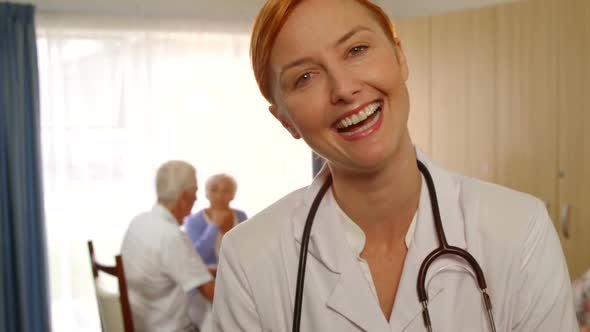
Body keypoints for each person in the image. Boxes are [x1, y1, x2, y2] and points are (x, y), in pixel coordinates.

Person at [211, 0, 579, 331]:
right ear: (285, 120)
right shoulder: (249, 258)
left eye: (356, 49)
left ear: (400, 56)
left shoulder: (519, 229)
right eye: (304, 77)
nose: (343, 89)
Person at [121, 160, 215, 332]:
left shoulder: (140, 222)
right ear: (183, 198)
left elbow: (172, 270)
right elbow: (211, 293)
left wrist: (215, 271)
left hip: (141, 321)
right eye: (194, 193)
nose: (196, 198)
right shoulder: (171, 236)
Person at [184, 173, 248, 267]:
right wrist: (213, 226)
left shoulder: (241, 216)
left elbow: (247, 249)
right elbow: (197, 257)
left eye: (226, 191)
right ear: (206, 193)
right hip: (208, 277)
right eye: (214, 190)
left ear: (233, 194)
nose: (219, 196)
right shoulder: (193, 221)